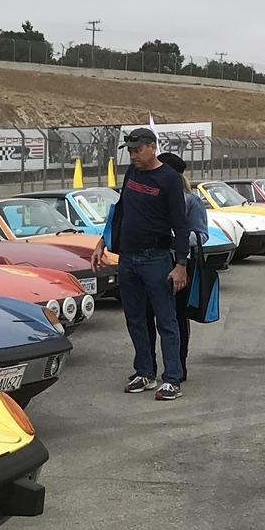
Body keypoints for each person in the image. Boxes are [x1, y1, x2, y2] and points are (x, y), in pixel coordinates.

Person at [109, 128, 191, 400]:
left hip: (156, 259)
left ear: (152, 147)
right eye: (130, 151)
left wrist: (181, 264)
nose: (133, 156)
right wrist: (103, 240)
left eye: (137, 151)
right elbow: (121, 211)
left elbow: (181, 225)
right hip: (128, 258)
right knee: (135, 319)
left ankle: (172, 379)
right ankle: (144, 372)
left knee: (166, 320)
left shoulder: (169, 179)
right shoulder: (132, 174)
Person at [162, 153, 220, 367]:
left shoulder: (191, 200)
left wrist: (175, 239)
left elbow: (202, 235)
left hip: (180, 263)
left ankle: (179, 363)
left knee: (178, 315)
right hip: (154, 261)